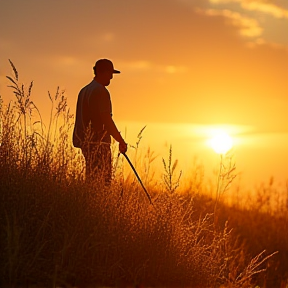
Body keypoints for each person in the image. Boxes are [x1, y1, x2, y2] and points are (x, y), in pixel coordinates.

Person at [72, 59, 127, 183]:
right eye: (110, 73)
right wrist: (120, 140)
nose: (112, 77)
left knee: (91, 179)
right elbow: (106, 119)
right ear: (104, 72)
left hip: (86, 143)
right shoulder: (101, 91)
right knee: (103, 182)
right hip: (98, 143)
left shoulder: (84, 90)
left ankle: (88, 201)